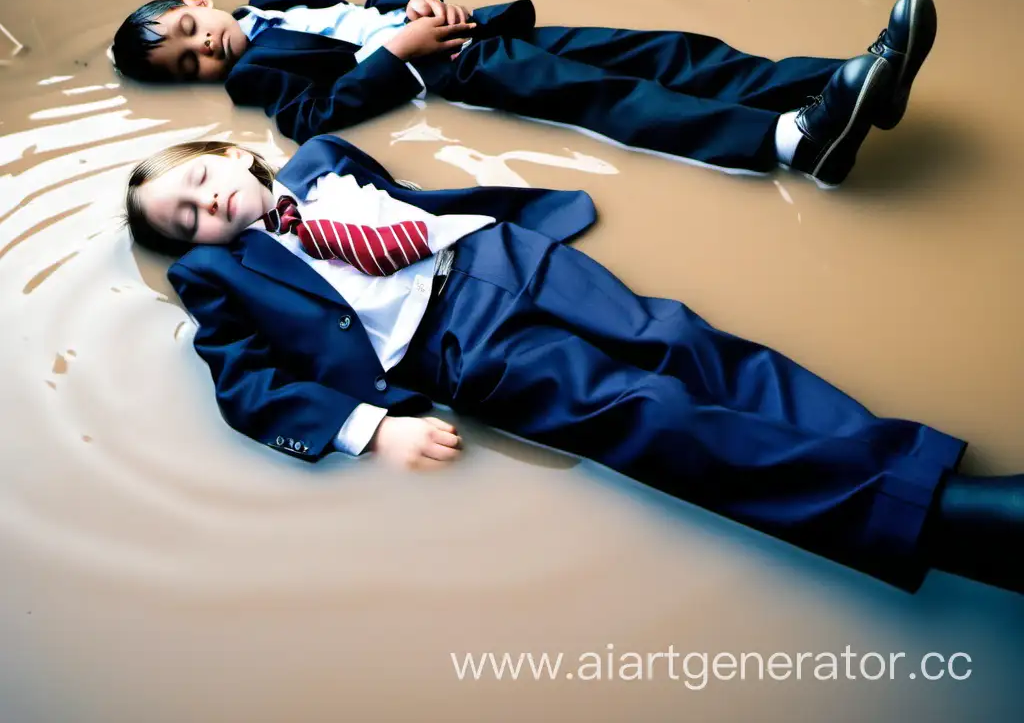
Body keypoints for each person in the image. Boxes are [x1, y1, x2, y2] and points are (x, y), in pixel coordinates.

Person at [124, 134, 1022, 596]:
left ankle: (914, 470)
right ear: (189, 248)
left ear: (228, 154)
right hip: (456, 346)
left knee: (696, 349)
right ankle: (941, 523)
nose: (208, 206)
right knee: (651, 416)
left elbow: (388, 165)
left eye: (199, 181)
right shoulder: (219, 276)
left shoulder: (318, 159)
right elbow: (245, 389)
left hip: (504, 257)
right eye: (186, 219)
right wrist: (372, 428)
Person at [109, 0, 938, 186]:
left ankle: (852, 81)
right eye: (188, 64)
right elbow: (315, 116)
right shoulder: (251, 81)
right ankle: (790, 143)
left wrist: (413, 2)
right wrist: (400, 46)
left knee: (667, 52)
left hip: (480, 31)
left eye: (190, 32)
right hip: (456, 72)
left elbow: (363, 4)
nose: (204, 50)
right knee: (610, 101)